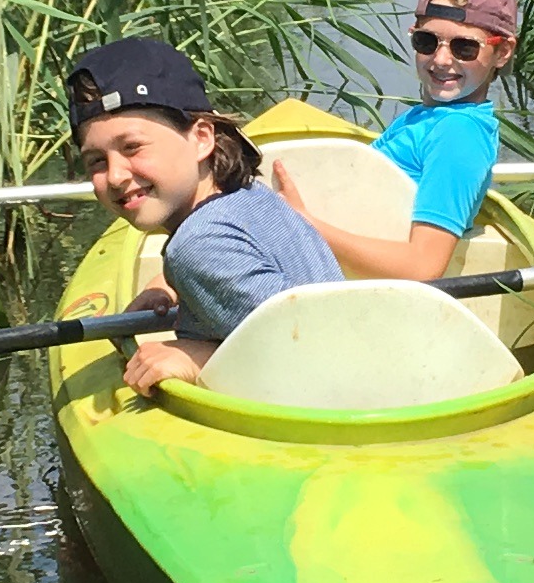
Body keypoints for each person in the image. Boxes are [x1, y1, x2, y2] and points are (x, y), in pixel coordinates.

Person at [66, 35, 341, 393]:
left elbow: (319, 358)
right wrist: (172, 285)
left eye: (132, 147)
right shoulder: (249, 195)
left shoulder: (197, 246)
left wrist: (201, 359)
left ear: (201, 139)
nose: (116, 175)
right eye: (96, 161)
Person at [295, 0, 520, 283]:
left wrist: (305, 223)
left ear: (503, 52)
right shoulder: (429, 118)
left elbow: (423, 266)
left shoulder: (459, 134)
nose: (441, 60)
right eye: (427, 42)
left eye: (464, 47)